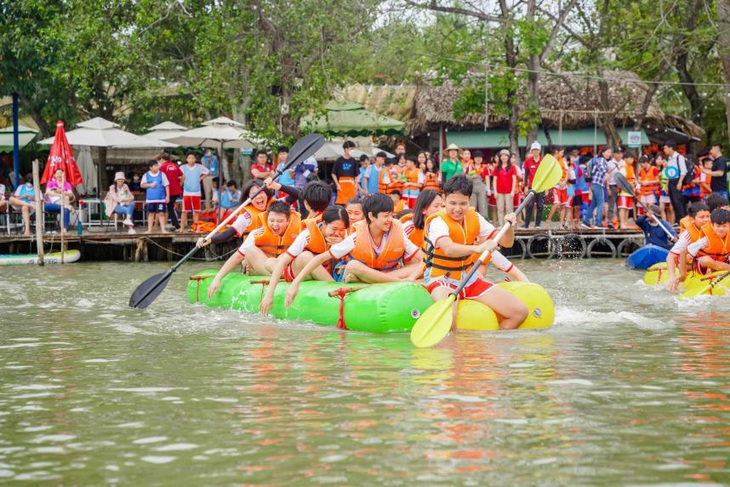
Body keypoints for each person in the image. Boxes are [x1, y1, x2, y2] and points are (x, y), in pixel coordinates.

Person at [422, 174, 528, 330]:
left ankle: (489, 349)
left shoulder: (476, 218)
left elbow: (507, 242)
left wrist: (510, 227)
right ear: (444, 199)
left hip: (469, 278)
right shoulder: (437, 221)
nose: (457, 209)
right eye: (452, 203)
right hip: (441, 279)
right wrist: (478, 248)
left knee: (519, 312)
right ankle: (454, 352)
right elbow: (448, 249)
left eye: (463, 204)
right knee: (449, 321)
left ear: (469, 201)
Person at [286, 193, 423, 305]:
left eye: (392, 215)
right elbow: (321, 257)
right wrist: (295, 284)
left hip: (383, 274)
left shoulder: (397, 231)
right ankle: (399, 283)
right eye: (386, 216)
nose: (390, 219)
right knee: (352, 266)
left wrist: (412, 276)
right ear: (371, 216)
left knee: (417, 264)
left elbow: (425, 258)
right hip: (364, 273)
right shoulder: (356, 236)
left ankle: (378, 281)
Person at [260, 206, 351, 316]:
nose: (337, 233)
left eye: (341, 230)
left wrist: (341, 245)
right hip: (300, 270)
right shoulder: (307, 235)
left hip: (324, 271)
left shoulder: (345, 236)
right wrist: (269, 294)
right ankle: (336, 289)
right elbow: (284, 262)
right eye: (334, 229)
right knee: (305, 256)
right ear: (324, 223)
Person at [207, 201, 301, 298]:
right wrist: (217, 278)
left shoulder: (298, 233)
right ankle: (280, 274)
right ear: (267, 218)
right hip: (264, 265)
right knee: (251, 250)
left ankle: (264, 273)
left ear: (288, 220)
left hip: (281, 266)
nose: (275, 225)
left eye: (280, 221)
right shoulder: (257, 233)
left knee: (285, 257)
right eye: (272, 220)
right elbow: (238, 256)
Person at [666, 202, 711, 291]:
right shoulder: (688, 235)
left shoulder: (715, 228)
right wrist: (672, 277)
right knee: (687, 256)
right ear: (692, 219)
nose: (706, 220)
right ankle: (683, 268)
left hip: (708, 259)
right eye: (702, 217)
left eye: (708, 216)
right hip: (691, 261)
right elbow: (670, 256)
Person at [687, 208, 730, 275]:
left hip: (723, 260)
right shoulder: (706, 240)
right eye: (718, 226)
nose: (721, 229)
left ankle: (714, 268)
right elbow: (689, 251)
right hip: (707, 263)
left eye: (724, 226)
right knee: (705, 260)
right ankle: (716, 267)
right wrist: (683, 272)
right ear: (712, 225)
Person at [179, 152, 209, 232]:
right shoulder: (183, 167)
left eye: (193, 158)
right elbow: (180, 176)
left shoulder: (199, 167)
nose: (191, 159)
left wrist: (201, 178)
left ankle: (195, 228)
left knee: (196, 211)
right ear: (186, 159)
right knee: (184, 211)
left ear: (195, 159)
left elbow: (207, 172)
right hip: (186, 191)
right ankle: (181, 228)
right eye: (189, 158)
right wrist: (181, 183)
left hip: (196, 191)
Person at [582, 146, 610, 229]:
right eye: (608, 152)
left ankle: (586, 221)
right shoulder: (601, 160)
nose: (609, 154)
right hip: (598, 184)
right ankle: (598, 223)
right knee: (600, 203)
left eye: (610, 152)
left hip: (595, 184)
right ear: (603, 152)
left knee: (594, 203)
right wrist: (606, 173)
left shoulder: (600, 160)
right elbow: (601, 168)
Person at [140, 159, 170, 234]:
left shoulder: (162, 174)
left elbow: (166, 185)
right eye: (155, 166)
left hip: (160, 199)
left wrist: (167, 196)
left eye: (157, 166)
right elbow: (142, 185)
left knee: (161, 213)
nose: (157, 167)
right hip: (150, 199)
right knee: (150, 214)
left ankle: (163, 229)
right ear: (151, 167)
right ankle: (149, 229)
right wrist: (150, 185)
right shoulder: (146, 175)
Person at [44, 169, 75, 234]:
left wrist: (59, 191)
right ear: (54, 175)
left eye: (61, 173)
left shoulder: (67, 184)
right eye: (57, 173)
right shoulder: (51, 183)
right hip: (52, 205)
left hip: (62, 204)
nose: (59, 175)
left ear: (63, 175)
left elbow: (70, 194)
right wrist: (61, 195)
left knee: (66, 209)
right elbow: (48, 192)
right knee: (47, 205)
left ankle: (64, 229)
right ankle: (67, 206)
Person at [664, 140, 689, 220]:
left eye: (665, 148)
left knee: (678, 202)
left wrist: (680, 182)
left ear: (671, 148)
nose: (664, 150)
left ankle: (682, 220)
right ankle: (678, 220)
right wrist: (667, 185)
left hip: (677, 181)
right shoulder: (669, 159)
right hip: (671, 181)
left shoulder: (679, 157)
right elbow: (669, 172)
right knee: (673, 202)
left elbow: (683, 171)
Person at [492, 149, 518, 225]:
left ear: (508, 157)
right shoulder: (497, 167)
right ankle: (501, 225)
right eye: (502, 156)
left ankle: (509, 225)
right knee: (500, 208)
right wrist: (495, 191)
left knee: (509, 209)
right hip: (499, 191)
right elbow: (494, 180)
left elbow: (514, 180)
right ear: (500, 157)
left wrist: (513, 191)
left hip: (509, 191)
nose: (504, 157)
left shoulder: (512, 167)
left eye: (505, 156)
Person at [158, 153, 183, 231]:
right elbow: (183, 176)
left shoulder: (162, 167)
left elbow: (159, 178)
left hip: (167, 191)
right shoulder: (175, 165)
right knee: (171, 207)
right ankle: (174, 224)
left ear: (162, 159)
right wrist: (180, 185)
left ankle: (176, 225)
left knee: (169, 208)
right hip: (176, 190)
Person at [523, 142, 544, 228]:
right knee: (530, 205)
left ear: (540, 150)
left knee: (540, 205)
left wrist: (546, 187)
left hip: (541, 187)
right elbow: (526, 175)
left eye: (537, 150)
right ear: (532, 151)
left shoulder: (543, 161)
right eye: (534, 150)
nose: (535, 151)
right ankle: (526, 224)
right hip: (532, 187)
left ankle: (537, 224)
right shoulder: (528, 161)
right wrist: (525, 186)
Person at [545, 146, 568, 227]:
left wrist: (565, 182)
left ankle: (561, 224)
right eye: (561, 152)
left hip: (563, 185)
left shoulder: (564, 161)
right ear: (556, 152)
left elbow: (567, 172)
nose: (562, 154)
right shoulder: (552, 161)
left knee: (563, 206)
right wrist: (547, 188)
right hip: (556, 185)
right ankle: (548, 219)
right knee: (557, 203)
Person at [617, 151, 637, 229]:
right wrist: (630, 184)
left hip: (630, 192)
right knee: (623, 207)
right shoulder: (623, 168)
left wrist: (635, 183)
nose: (632, 160)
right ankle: (622, 223)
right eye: (630, 158)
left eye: (632, 158)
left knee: (628, 208)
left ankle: (626, 223)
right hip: (623, 192)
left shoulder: (631, 168)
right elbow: (620, 180)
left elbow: (634, 178)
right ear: (625, 159)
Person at [466, 150, 489, 218]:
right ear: (474, 159)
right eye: (477, 158)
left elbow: (487, 178)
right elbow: (466, 177)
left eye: (480, 157)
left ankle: (484, 221)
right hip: (472, 188)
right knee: (472, 206)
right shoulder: (470, 167)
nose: (478, 159)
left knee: (483, 206)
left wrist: (488, 189)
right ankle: (472, 220)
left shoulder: (485, 167)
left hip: (482, 188)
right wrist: (471, 177)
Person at [605, 147, 624, 228]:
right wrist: (608, 187)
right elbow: (606, 176)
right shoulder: (610, 163)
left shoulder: (624, 163)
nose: (620, 155)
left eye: (621, 153)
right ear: (614, 154)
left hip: (621, 187)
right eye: (618, 153)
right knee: (611, 205)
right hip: (612, 185)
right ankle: (610, 222)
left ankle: (620, 222)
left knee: (620, 206)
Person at [656, 154, 675, 225]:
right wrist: (659, 178)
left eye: (664, 162)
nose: (663, 163)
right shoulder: (662, 170)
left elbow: (669, 179)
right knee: (662, 208)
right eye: (662, 162)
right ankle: (665, 224)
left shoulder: (671, 169)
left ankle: (672, 224)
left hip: (670, 190)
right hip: (663, 190)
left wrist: (667, 186)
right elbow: (658, 178)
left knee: (671, 208)